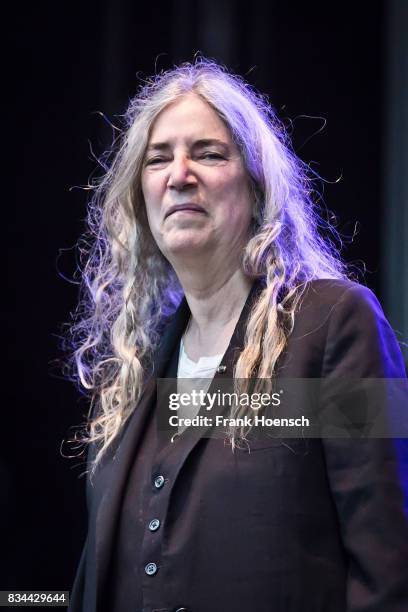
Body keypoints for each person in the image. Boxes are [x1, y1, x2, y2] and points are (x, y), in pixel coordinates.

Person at [67, 58, 408, 612]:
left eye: (208, 153)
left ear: (255, 187)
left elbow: (390, 570)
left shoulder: (336, 325)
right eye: (159, 159)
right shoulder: (136, 377)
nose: (180, 174)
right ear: (140, 199)